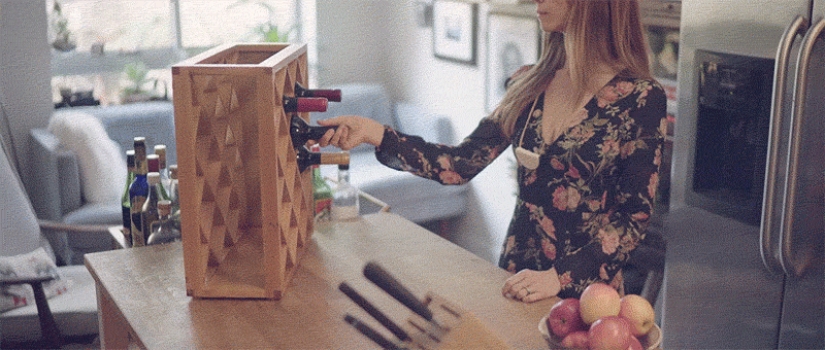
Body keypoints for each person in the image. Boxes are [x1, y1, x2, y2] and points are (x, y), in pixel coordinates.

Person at [316, 0, 667, 303]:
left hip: (589, 296)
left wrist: (558, 277)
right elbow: (459, 164)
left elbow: (632, 219)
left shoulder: (641, 98)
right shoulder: (529, 83)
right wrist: (375, 133)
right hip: (518, 275)